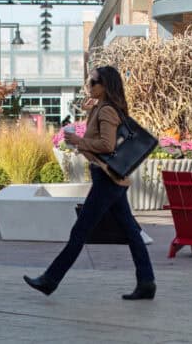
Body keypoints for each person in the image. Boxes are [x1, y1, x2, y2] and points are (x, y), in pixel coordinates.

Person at [24, 66, 156, 300]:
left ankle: (50, 279)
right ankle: (146, 282)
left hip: (107, 179)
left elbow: (107, 146)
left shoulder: (106, 111)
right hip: (110, 177)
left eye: (93, 82)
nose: (88, 85)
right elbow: (97, 140)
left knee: (81, 230)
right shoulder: (100, 108)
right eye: (89, 81)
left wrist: (79, 141)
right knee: (130, 231)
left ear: (104, 85)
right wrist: (86, 121)